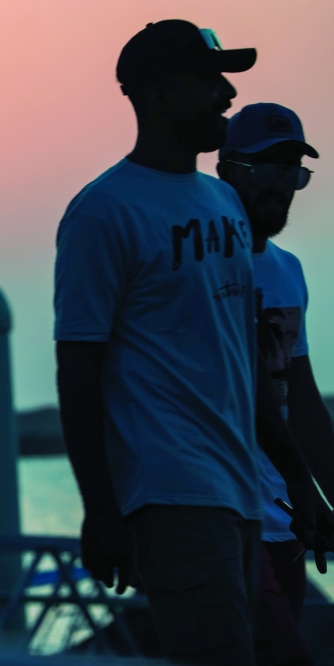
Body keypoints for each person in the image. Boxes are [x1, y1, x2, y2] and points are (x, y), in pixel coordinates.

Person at [54, 21, 323, 664]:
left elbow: (246, 365)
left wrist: (300, 484)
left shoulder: (224, 205)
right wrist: (101, 511)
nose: (228, 93)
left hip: (242, 499)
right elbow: (78, 370)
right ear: (161, 93)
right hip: (169, 493)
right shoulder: (104, 212)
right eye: (210, 80)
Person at [217, 103, 330, 666]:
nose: (282, 186)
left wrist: (323, 497)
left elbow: (302, 401)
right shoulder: (207, 266)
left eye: (293, 172)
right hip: (226, 515)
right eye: (267, 169)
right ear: (227, 169)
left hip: (288, 521)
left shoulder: (289, 271)